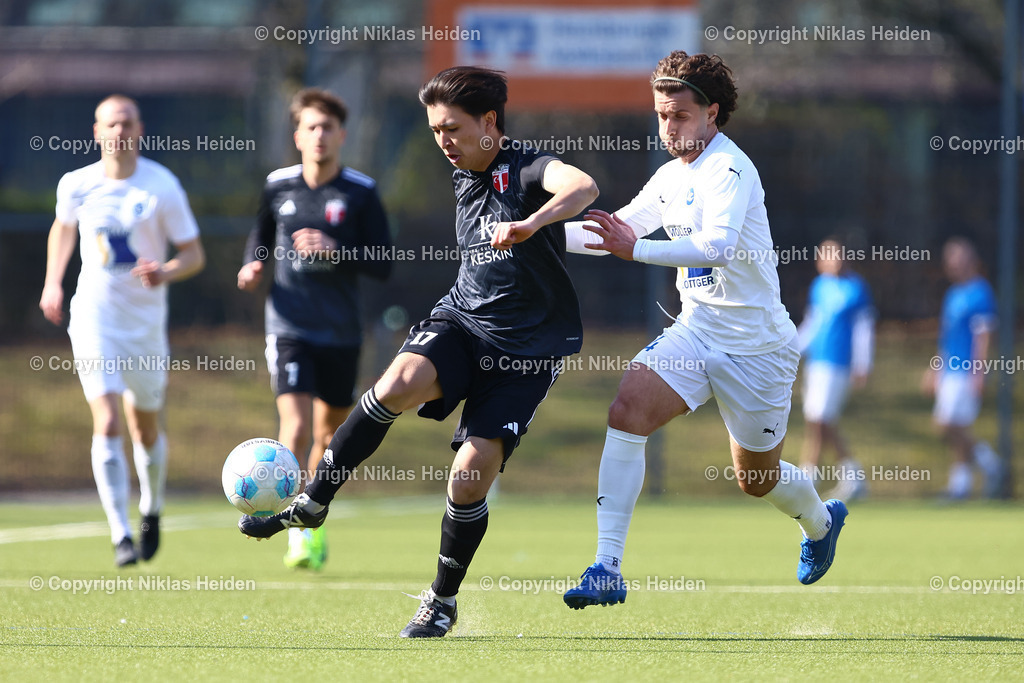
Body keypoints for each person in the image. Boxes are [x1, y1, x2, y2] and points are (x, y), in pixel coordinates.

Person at [236, 66, 599, 637]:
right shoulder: (464, 168)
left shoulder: (529, 165)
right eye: (434, 131)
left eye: (452, 129)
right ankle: (314, 501)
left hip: (528, 350)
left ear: (490, 123)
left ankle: (441, 599)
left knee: (469, 475)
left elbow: (582, 187)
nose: (443, 142)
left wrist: (533, 222)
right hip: (463, 320)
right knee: (397, 381)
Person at [560, 51, 847, 610]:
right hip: (697, 333)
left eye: (680, 116)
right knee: (627, 410)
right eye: (661, 116)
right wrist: (534, 234)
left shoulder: (731, 169)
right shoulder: (670, 175)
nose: (668, 128)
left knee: (756, 481)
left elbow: (715, 247)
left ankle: (820, 522)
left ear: (712, 113)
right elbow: (616, 230)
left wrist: (634, 248)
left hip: (759, 350)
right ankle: (606, 567)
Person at [39, 94, 205, 567]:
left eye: (127, 123)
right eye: (110, 124)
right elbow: (63, 229)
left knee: (144, 427)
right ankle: (120, 535)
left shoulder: (161, 186)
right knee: (107, 420)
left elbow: (193, 255)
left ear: (140, 130)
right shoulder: (76, 184)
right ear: (97, 132)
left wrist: (165, 271)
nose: (119, 131)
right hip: (93, 317)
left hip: (145, 327)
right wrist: (53, 283)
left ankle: (151, 509)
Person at [237, 88, 393, 570]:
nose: (320, 135)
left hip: (341, 332)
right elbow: (261, 236)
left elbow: (384, 262)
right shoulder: (278, 185)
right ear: (297, 135)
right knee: (297, 426)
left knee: (328, 438)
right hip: (289, 325)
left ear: (341, 135)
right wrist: (253, 265)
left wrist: (336, 250)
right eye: (311, 127)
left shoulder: (360, 193)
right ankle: (292, 535)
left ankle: (310, 518)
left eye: (328, 127)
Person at [921, 237, 1001, 499]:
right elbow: (946, 337)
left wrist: (980, 372)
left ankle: (990, 465)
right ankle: (962, 484)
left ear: (970, 261)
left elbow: (984, 337)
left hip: (967, 371)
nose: (953, 265)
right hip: (949, 371)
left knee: (947, 424)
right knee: (956, 428)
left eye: (958, 259)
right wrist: (935, 369)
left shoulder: (981, 292)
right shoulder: (952, 294)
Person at [795, 237, 875, 501]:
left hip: (839, 363)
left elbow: (864, 330)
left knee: (821, 418)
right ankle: (826, 475)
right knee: (816, 420)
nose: (833, 260)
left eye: (837, 254)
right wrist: (792, 350)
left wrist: (863, 364)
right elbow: (811, 324)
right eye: (828, 255)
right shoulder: (819, 286)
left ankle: (822, 474)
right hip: (816, 363)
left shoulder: (856, 288)